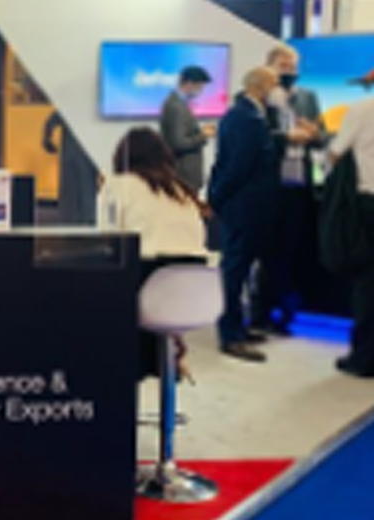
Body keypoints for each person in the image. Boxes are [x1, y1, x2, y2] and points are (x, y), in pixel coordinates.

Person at [100, 128, 207, 380]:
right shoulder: (180, 190)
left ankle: (131, 372)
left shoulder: (118, 185)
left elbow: (108, 239)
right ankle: (166, 356)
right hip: (196, 287)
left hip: (150, 280)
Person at [250, 44, 326, 335]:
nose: (290, 72)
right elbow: (257, 138)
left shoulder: (308, 98)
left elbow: (322, 138)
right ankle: (261, 312)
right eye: (284, 66)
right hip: (270, 184)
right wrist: (286, 137)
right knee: (267, 251)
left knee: (290, 250)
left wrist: (314, 134)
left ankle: (284, 311)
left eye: (293, 67)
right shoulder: (261, 99)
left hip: (298, 183)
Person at [208, 67, 279, 362]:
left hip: (246, 205)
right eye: (274, 84)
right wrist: (217, 197)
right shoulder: (246, 119)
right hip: (243, 206)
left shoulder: (244, 115)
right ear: (261, 87)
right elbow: (237, 166)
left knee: (242, 268)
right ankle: (230, 335)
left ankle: (238, 325)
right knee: (235, 270)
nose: (277, 91)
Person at [328, 95, 374, 377]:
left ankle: (364, 358)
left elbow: (336, 152)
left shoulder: (362, 109)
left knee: (368, 284)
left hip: (369, 204)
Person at [159, 65, 215, 193]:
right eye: (200, 86)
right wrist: (203, 135)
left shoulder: (178, 103)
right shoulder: (176, 107)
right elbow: (179, 143)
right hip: (183, 174)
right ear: (189, 84)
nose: (201, 90)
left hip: (184, 174)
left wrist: (200, 132)